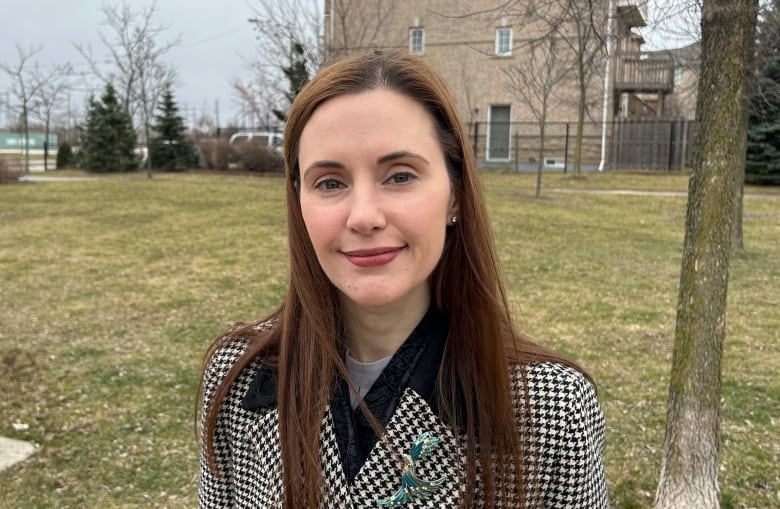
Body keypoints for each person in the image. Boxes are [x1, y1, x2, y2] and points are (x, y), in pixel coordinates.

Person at [198, 51, 609, 508]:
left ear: (455, 194)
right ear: (298, 202)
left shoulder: (551, 412)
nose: (364, 216)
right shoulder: (236, 380)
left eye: (399, 175)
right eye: (330, 182)